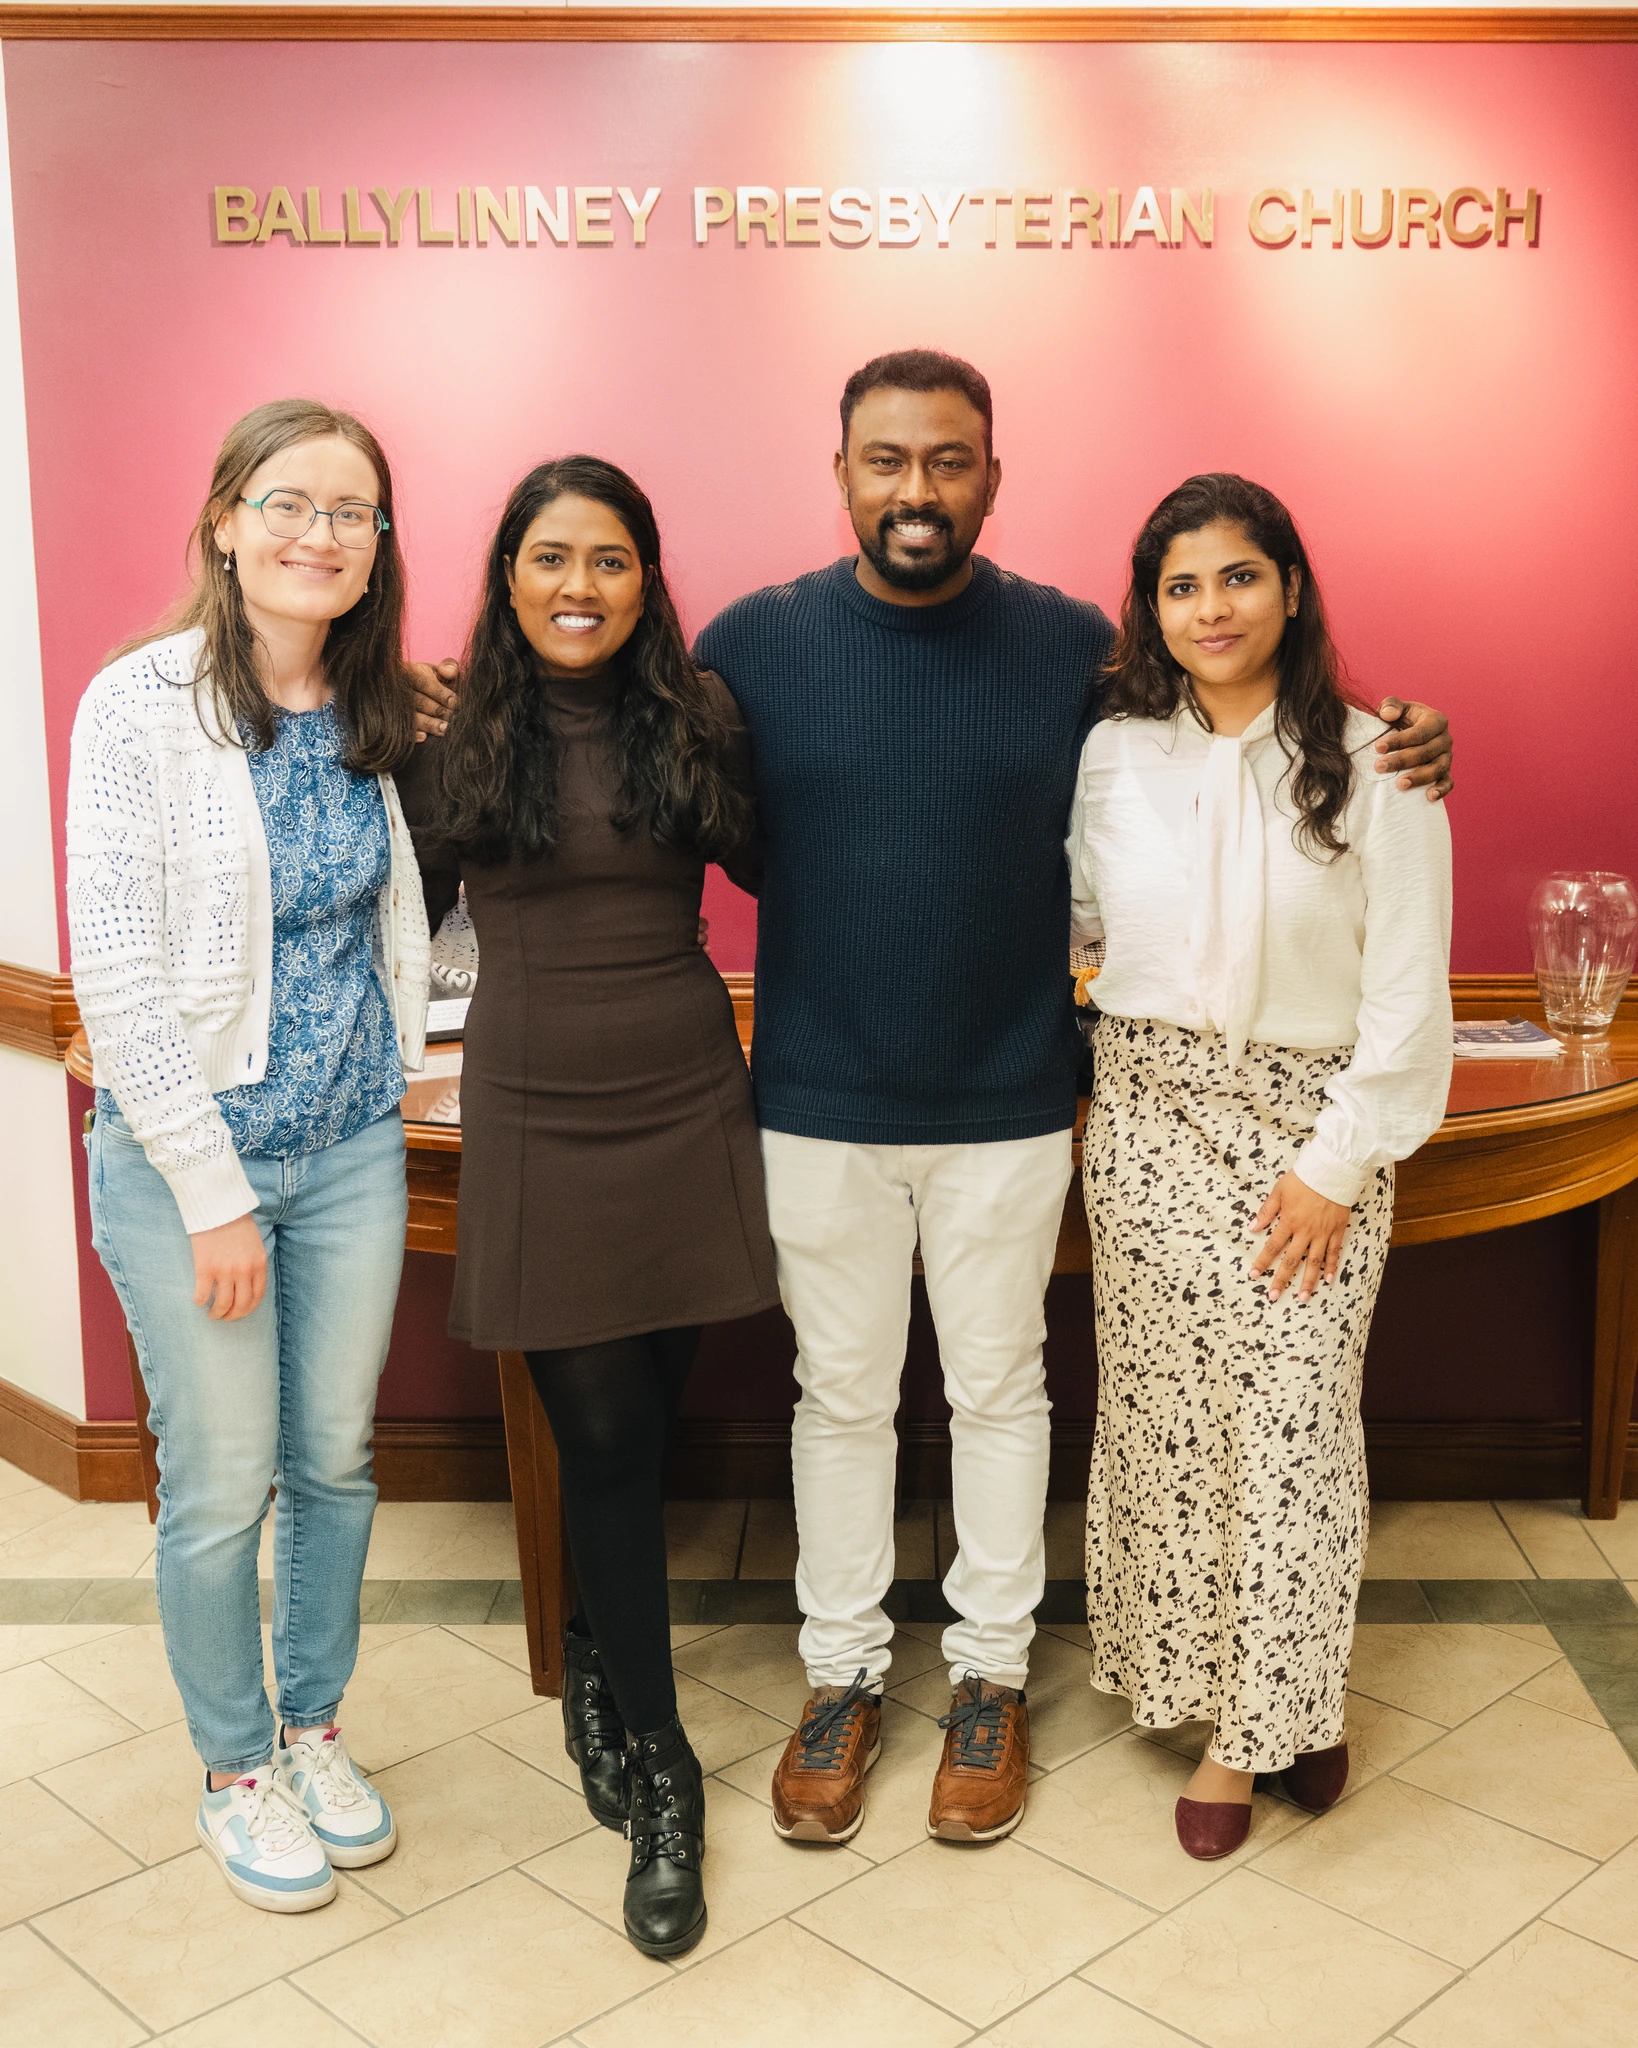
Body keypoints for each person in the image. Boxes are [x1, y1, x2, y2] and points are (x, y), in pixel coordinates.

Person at [407, 349, 1455, 1850]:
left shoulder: (1071, 647)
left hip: (1009, 1100)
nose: (917, 487)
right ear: (840, 473)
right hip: (812, 1098)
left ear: (990, 477)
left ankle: (988, 1681)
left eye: (948, 460)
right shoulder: (754, 646)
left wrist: (1396, 733)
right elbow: (606, 717)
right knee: (835, 1399)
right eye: (887, 459)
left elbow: (1222, 729)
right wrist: (441, 689)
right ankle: (839, 1678)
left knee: (999, 1395)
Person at [397, 456, 779, 1959]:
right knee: (606, 1437)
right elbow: (379, 906)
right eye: (549, 556)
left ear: (645, 580)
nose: (578, 585)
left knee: (645, 1424)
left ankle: (598, 1660)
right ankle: (667, 1773)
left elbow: (793, 859)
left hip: (684, 1090)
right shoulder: (449, 736)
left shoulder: (700, 716)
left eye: (608, 559)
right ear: (507, 578)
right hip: (534, 1103)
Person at [68, 399, 427, 1913]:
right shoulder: (138, 705)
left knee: (334, 1461)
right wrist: (213, 1196)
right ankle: (234, 1769)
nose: (317, 535)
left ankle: (313, 1729)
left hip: (350, 1151)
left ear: (377, 546)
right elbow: (120, 973)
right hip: (188, 1169)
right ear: (225, 521)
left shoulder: (380, 709)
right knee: (220, 1484)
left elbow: (395, 922)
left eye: (351, 512)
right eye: (288, 503)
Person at [1067, 473, 1453, 1859]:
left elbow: (1407, 994)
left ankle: (1258, 1726)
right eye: (1180, 586)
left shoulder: (1382, 762)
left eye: (1237, 576)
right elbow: (1078, 914)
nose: (1211, 608)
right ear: (1150, 610)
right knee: (1170, 1430)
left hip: (1313, 1130)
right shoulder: (1114, 752)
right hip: (1147, 1125)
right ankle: (1238, 1692)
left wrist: (1334, 1166)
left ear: (1289, 587)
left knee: (1292, 1434)